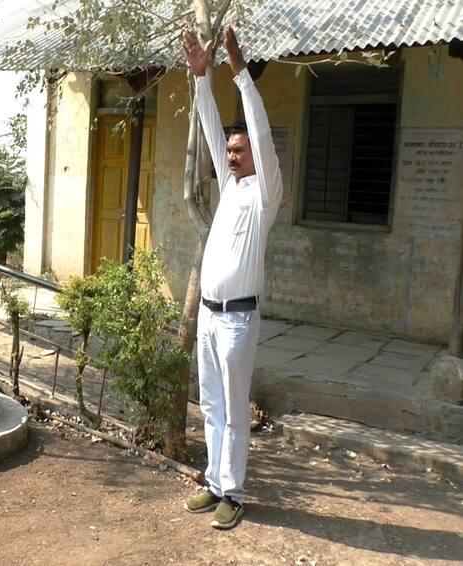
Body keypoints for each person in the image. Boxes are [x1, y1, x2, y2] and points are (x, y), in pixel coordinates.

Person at [182, 25, 283, 529]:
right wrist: (202, 79)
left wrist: (240, 73)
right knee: (210, 404)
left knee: (235, 409)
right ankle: (215, 482)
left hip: (239, 320)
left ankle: (235, 494)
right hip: (208, 316)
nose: (232, 154)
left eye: (238, 150)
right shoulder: (229, 190)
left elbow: (260, 135)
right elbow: (207, 128)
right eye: (231, 150)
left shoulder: (265, 196)